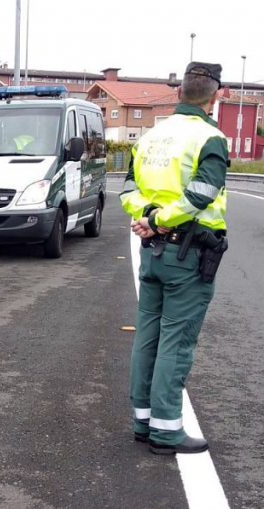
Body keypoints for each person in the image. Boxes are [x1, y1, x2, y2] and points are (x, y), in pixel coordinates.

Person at [120, 62, 229, 455]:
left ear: (180, 92)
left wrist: (147, 218)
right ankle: (167, 431)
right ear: (214, 97)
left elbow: (128, 188)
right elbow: (202, 192)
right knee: (176, 342)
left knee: (147, 337)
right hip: (188, 255)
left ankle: (143, 421)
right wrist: (163, 221)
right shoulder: (210, 138)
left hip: (152, 254)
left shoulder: (151, 137)